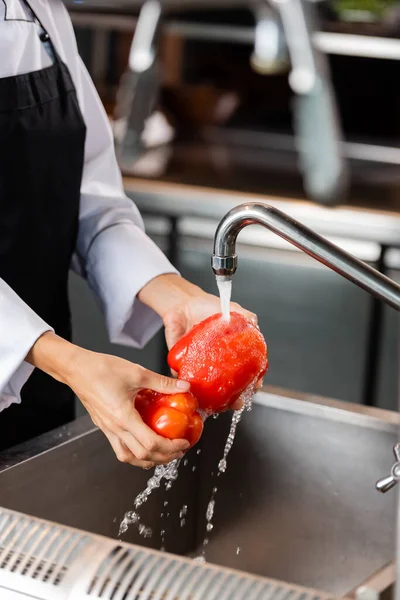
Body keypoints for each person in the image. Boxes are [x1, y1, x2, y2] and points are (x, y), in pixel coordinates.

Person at [0, 0, 256, 467]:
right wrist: (67, 361)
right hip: (49, 364)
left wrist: (174, 293)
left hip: (40, 394)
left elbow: (86, 198)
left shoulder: (41, 11)